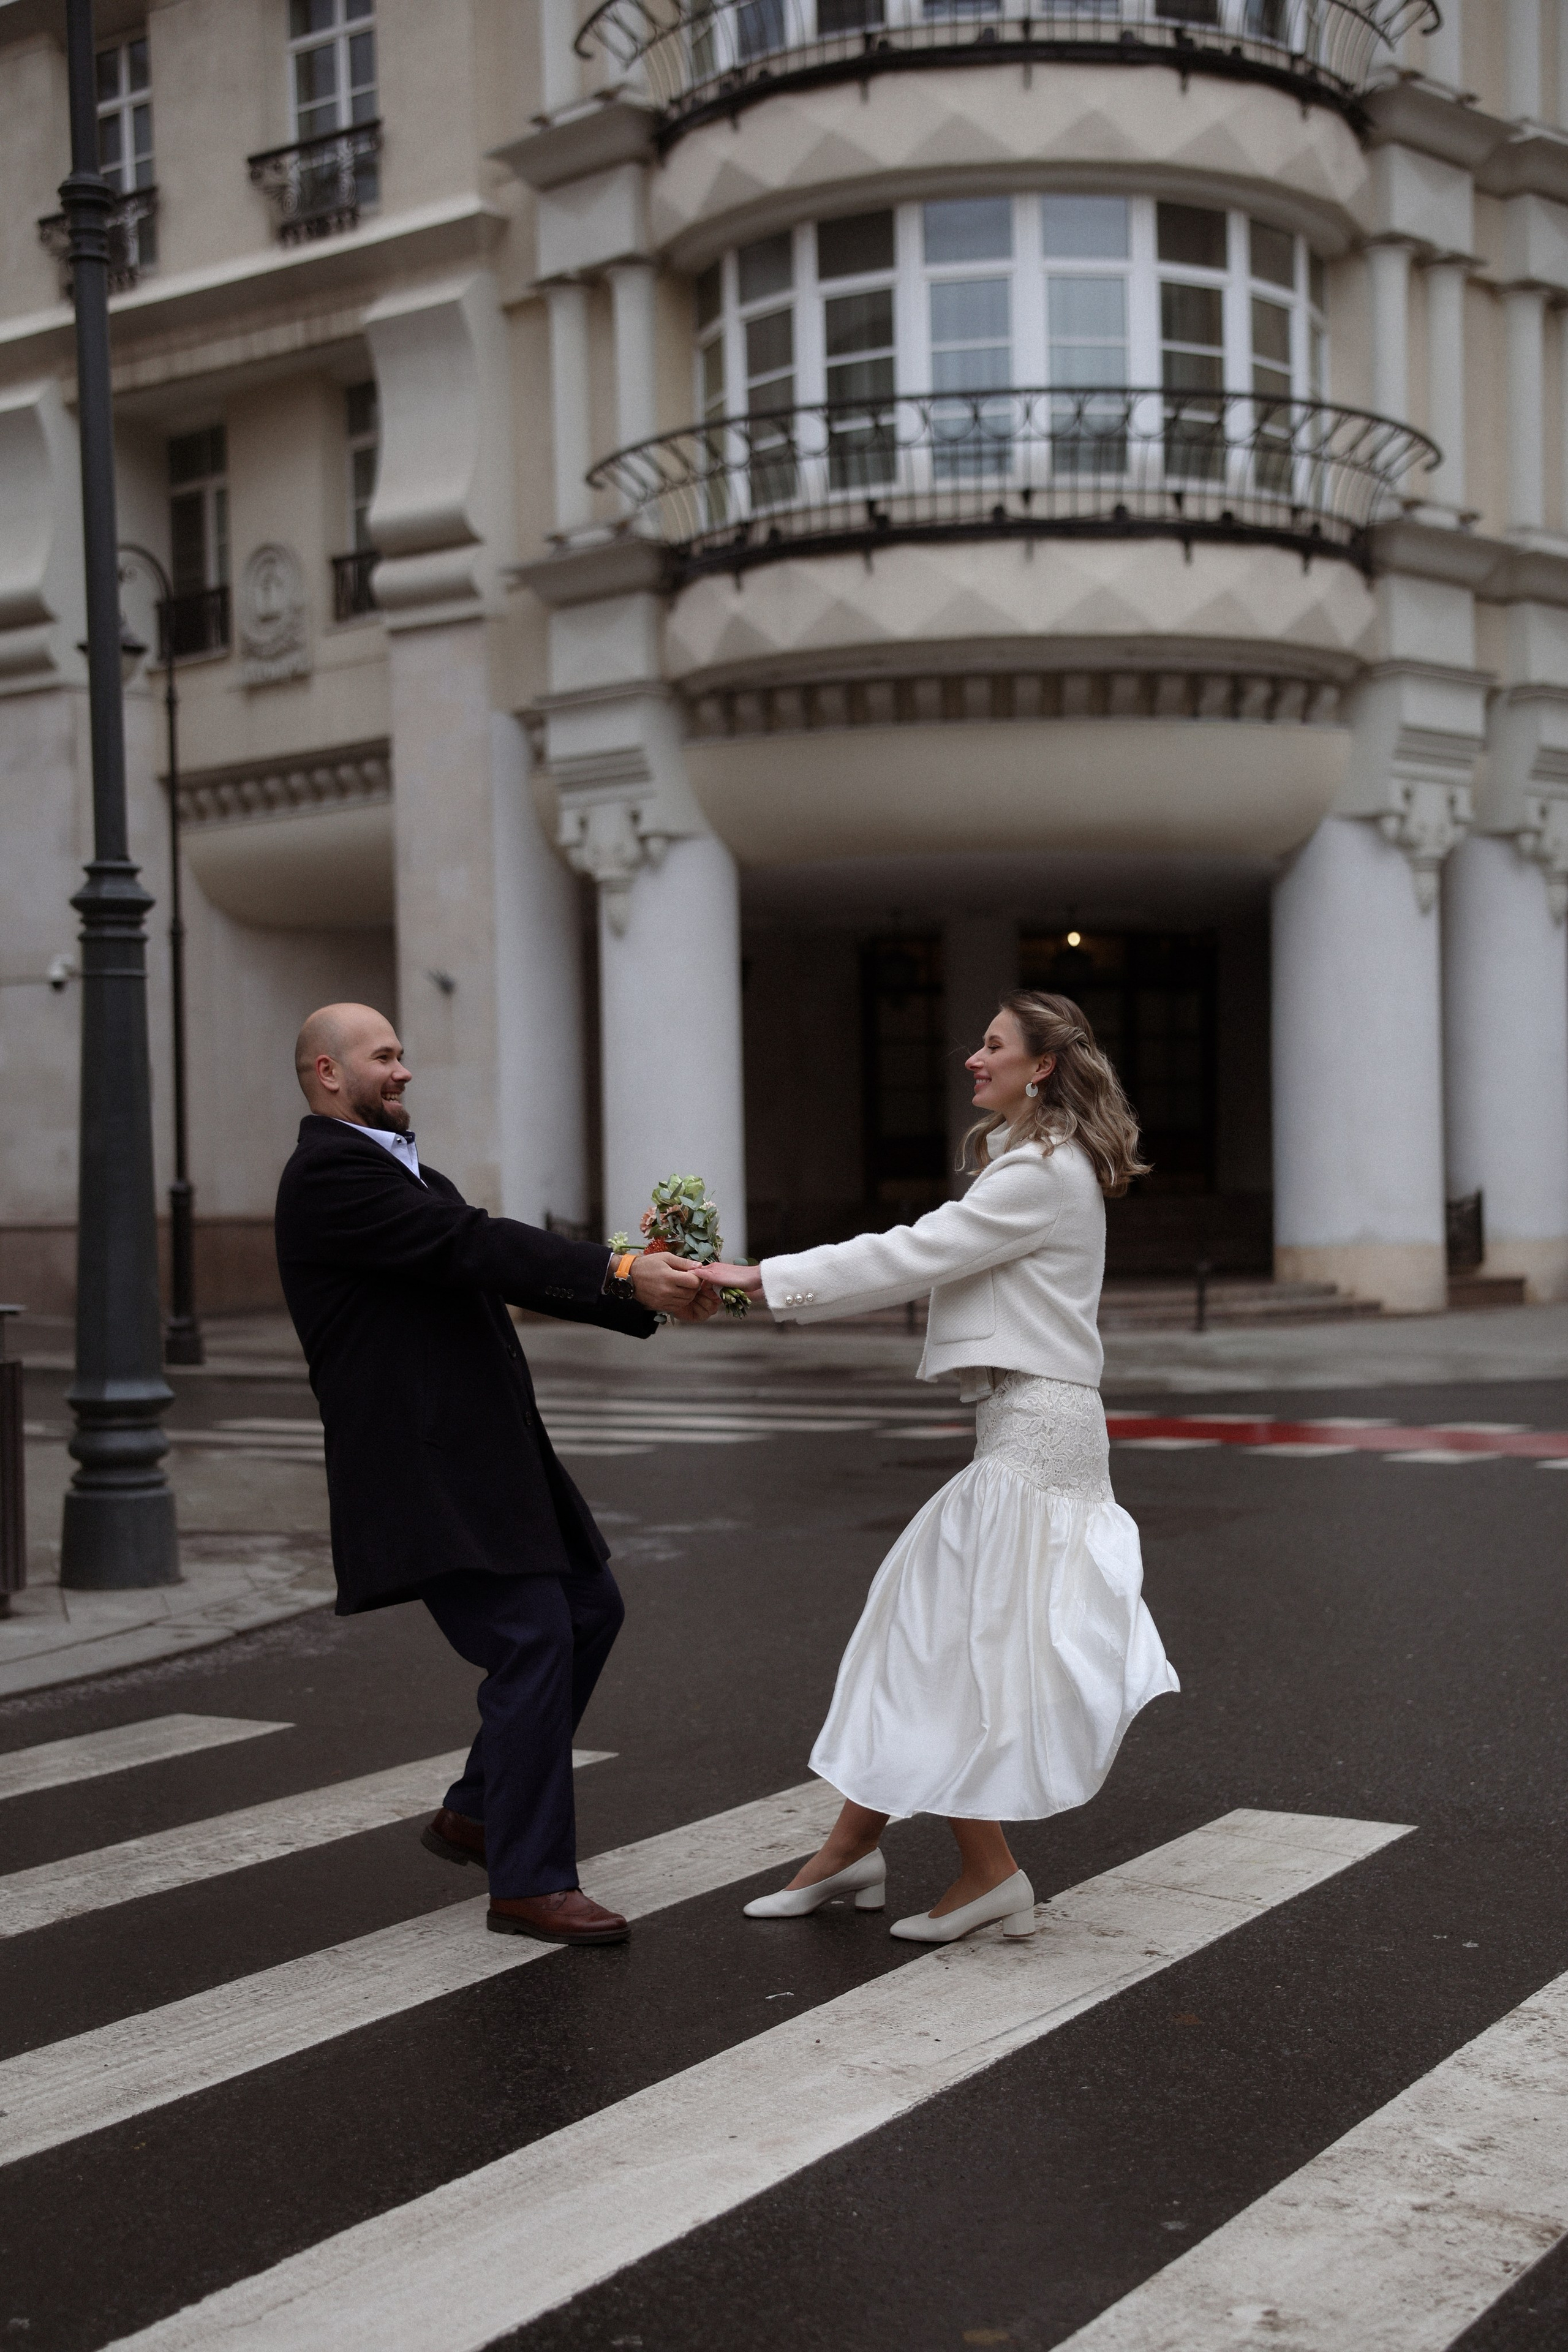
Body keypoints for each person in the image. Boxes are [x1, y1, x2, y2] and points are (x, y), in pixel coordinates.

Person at [700, 991, 1178, 1943]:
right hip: (1025, 1424)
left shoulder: (1040, 1171)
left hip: (1038, 1434)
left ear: (1040, 1066)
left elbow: (911, 1253)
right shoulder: (1032, 1162)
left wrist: (761, 1279)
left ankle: (984, 1869)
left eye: (993, 1045)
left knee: (949, 1643)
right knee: (924, 1630)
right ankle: (854, 1851)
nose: (973, 1057)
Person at [274, 1003, 718, 1947]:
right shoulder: (328, 1177)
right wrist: (621, 1266)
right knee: (530, 1640)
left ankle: (480, 1810)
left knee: (590, 1609)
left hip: (491, 1460)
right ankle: (529, 1881)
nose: (402, 1071)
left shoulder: (405, 1173)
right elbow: (474, 1245)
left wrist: (650, 1293)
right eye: (382, 1057)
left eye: (402, 1055)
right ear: (326, 1073)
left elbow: (489, 1265)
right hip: (425, 1471)